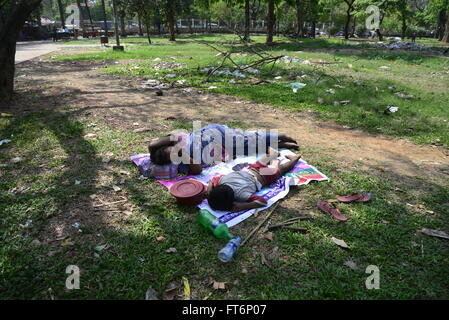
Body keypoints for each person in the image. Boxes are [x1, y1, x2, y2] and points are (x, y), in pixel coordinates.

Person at [148, 124, 299, 176]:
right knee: (249, 148)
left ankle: (280, 136)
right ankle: (282, 145)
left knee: (247, 137)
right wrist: (183, 155)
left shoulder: (179, 139)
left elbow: (152, 144)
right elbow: (197, 171)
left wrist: (173, 146)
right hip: (223, 150)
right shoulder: (181, 163)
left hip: (216, 133)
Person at [206, 148, 301, 212]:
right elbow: (214, 179)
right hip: (252, 169)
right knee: (261, 162)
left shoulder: (241, 195)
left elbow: (262, 201)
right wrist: (209, 188)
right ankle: (273, 155)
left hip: (265, 176)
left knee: (281, 169)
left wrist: (244, 206)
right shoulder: (222, 181)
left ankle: (294, 159)